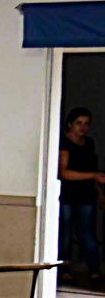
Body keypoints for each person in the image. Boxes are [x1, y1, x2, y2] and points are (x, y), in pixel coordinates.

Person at [59, 106, 103, 279]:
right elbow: (64, 172)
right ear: (70, 124)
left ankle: (94, 269)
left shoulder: (89, 143)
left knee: (87, 232)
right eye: (79, 123)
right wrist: (92, 176)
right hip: (67, 194)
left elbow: (92, 169)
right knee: (65, 233)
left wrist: (99, 191)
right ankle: (64, 268)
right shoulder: (64, 143)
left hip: (85, 194)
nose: (83, 127)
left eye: (86, 123)